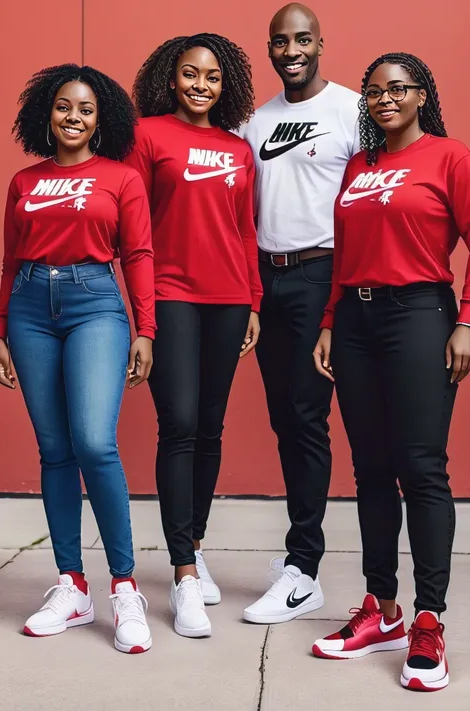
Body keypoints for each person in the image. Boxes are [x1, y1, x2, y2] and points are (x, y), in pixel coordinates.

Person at [312, 52, 470, 691]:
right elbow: (344, 250)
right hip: (355, 319)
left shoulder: (449, 157)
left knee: (421, 467)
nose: (384, 98)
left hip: (420, 315)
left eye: (398, 88)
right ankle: (382, 607)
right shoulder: (359, 164)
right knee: (370, 469)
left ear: (422, 95)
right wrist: (328, 320)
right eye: (374, 91)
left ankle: (429, 619)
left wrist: (467, 321)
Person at [0, 64, 155, 654]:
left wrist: (146, 329)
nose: (74, 117)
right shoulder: (24, 181)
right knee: (56, 449)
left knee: (94, 442)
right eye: (65, 106)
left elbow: (138, 253)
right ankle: (71, 584)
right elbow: (11, 260)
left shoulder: (120, 179)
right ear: (47, 112)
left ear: (101, 119)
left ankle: (123, 585)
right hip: (31, 307)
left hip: (95, 305)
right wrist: (0, 327)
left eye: (86, 109)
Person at [127, 33, 262, 638]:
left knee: (210, 426)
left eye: (211, 76)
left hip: (230, 298)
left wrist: (254, 299)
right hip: (173, 295)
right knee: (179, 424)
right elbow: (134, 231)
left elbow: (244, 230)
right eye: (189, 73)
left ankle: (196, 546)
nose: (201, 84)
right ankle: (183, 575)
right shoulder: (147, 136)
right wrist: (144, 314)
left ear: (224, 83)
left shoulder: (237, 149)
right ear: (170, 77)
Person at [240, 3, 360, 624]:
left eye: (303, 39)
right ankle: (298, 553)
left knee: (309, 417)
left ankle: (304, 568)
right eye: (281, 41)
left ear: (320, 43)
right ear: (269, 49)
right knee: (286, 417)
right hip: (269, 278)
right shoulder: (256, 122)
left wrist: (340, 304)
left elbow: (373, 197)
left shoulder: (350, 110)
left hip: (323, 275)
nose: (292, 50)